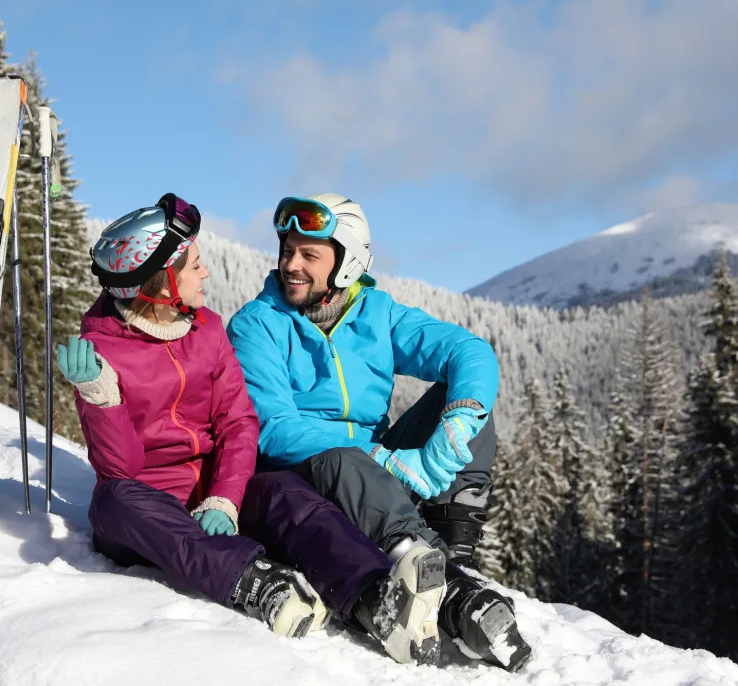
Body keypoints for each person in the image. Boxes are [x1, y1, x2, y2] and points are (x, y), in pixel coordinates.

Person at [57, 193, 451, 664]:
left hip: (214, 497)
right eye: (194, 267)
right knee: (113, 500)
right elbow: (122, 468)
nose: (205, 274)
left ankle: (374, 597)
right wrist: (102, 397)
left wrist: (225, 496)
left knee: (287, 493)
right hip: (150, 511)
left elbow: (238, 422)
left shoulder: (206, 329)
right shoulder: (102, 351)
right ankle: (251, 581)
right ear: (162, 285)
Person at [226, 193, 533, 672]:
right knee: (341, 457)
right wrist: (380, 458)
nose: (291, 265)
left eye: (310, 255)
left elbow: (468, 351)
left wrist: (458, 421)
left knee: (468, 406)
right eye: (287, 250)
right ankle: (442, 580)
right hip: (306, 473)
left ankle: (455, 555)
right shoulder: (256, 325)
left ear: (346, 264)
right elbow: (273, 429)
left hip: (374, 474)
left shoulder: (376, 313)